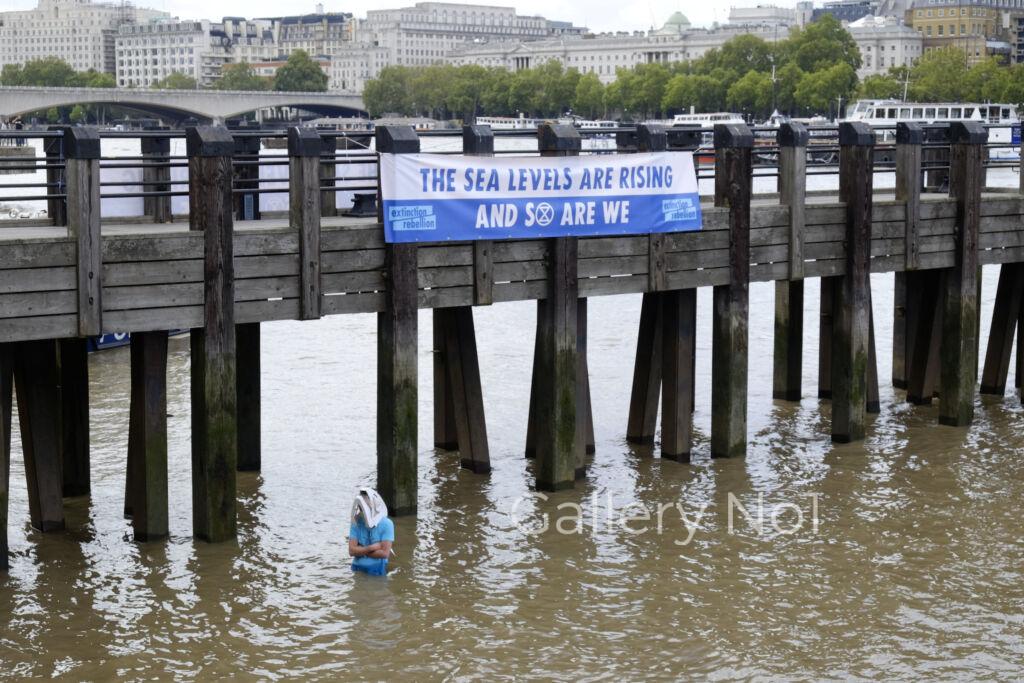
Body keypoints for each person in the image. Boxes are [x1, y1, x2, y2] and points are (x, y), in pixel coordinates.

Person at [348, 488, 394, 576]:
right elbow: (351, 551)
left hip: (377, 570)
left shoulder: (387, 524)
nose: (362, 511)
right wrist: (371, 548)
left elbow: (384, 553)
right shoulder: (356, 521)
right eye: (361, 508)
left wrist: (360, 550)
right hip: (356, 568)